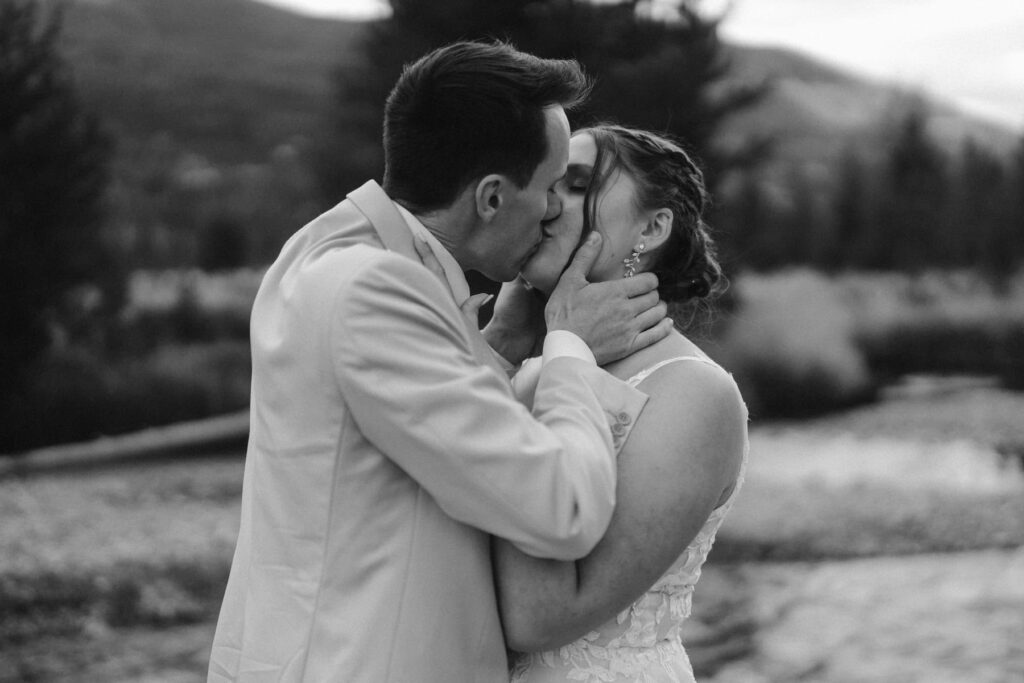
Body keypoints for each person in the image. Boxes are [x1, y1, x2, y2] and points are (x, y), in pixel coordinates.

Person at [206, 43, 673, 683]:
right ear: (490, 198)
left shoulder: (323, 253)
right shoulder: (376, 291)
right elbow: (560, 508)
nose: (555, 210)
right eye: (549, 185)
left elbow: (404, 428)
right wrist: (572, 346)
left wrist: (503, 346)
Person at [495, 125, 749, 683]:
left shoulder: (692, 393)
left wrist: (558, 363)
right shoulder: (507, 360)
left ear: (653, 227)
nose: (547, 203)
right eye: (546, 183)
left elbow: (542, 619)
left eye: (580, 184)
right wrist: (502, 353)